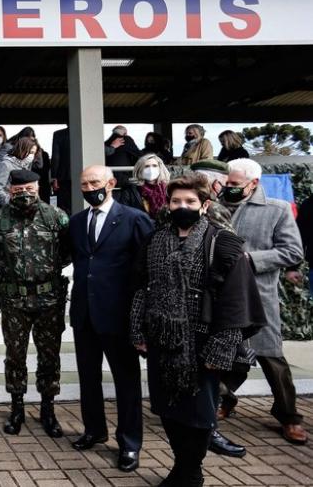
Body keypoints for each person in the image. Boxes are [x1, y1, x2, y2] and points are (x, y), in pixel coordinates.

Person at [131, 174, 265, 486]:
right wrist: (138, 330)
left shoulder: (222, 242)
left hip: (203, 344)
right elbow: (142, 287)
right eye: (176, 200)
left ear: (204, 205)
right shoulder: (155, 240)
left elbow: (237, 300)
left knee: (201, 412)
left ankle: (191, 471)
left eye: (190, 201)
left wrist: (222, 347)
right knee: (167, 408)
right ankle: (182, 466)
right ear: (168, 203)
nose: (182, 206)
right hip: (162, 340)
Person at [69, 165, 154, 472]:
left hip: (119, 316)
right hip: (84, 315)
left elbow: (148, 268)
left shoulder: (135, 219)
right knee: (88, 378)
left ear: (111, 183)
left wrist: (142, 316)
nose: (90, 187)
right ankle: (94, 430)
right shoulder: (77, 222)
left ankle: (130, 443)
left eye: (95, 182)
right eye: (84, 183)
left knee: (126, 382)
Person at [218, 158, 307, 444]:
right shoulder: (215, 208)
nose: (228, 188)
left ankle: (289, 416)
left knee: (271, 359)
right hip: (222, 297)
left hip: (259, 297)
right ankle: (224, 401)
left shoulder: (277, 210)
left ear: (253, 184)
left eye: (235, 184)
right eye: (227, 183)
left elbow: (293, 252)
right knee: (221, 354)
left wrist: (251, 260)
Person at [0, 169, 70, 438]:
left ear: (38, 187)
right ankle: (17, 408)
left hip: (49, 298)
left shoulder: (56, 217)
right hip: (13, 299)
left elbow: (67, 253)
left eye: (30, 187)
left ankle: (48, 410)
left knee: (49, 356)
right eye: (18, 188)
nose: (24, 192)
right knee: (15, 355)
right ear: (10, 189)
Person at [116, 154, 171, 219]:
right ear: (140, 170)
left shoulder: (168, 189)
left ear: (160, 168)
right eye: (146, 166)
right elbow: (123, 213)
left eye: (154, 166)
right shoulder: (130, 190)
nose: (151, 169)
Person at [0, 137, 38, 207]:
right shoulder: (6, 164)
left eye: (34, 153)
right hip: (9, 207)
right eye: (31, 152)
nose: (32, 156)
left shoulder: (26, 165)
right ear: (22, 150)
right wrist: (12, 202)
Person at [51, 127, 72, 214]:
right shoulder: (86, 131)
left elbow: (56, 157)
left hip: (63, 176)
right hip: (83, 173)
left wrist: (54, 177)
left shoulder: (59, 134)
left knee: (64, 206)